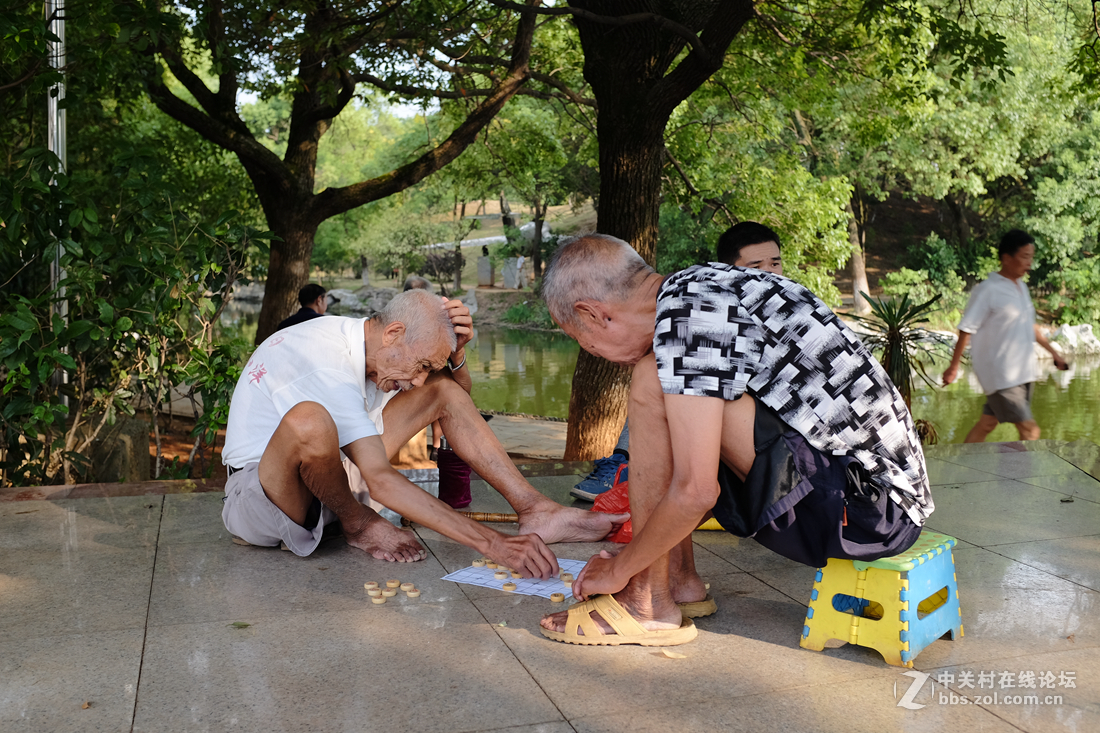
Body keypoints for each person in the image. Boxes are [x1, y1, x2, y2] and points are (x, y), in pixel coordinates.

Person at [538, 234, 931, 645]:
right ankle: (679, 581)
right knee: (677, 390)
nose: (596, 354)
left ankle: (647, 603)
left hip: (866, 514)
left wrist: (619, 570)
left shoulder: (690, 314)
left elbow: (696, 492)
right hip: (871, 498)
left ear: (595, 314)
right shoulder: (704, 285)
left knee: (653, 378)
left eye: (586, 344)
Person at [221, 288, 627, 575]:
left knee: (441, 391)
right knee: (310, 419)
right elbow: (380, 480)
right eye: (419, 366)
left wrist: (457, 355)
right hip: (264, 498)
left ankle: (537, 511)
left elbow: (455, 401)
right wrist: (492, 543)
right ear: (394, 333)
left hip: (331, 482)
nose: (416, 381)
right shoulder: (323, 357)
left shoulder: (372, 347)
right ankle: (357, 524)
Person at [570, 221, 785, 502]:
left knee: (666, 376)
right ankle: (626, 462)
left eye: (775, 264)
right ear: (729, 268)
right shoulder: (709, 298)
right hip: (749, 432)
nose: (769, 273)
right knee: (665, 372)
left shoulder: (783, 304)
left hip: (791, 456)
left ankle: (642, 473)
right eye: (757, 266)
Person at [942, 230, 1067, 441]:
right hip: (1002, 376)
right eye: (1025, 256)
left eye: (1031, 257)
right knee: (1030, 431)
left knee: (987, 424)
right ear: (1006, 258)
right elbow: (966, 328)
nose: (1030, 262)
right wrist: (953, 367)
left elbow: (1030, 327)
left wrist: (1054, 354)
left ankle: (960, 468)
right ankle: (1020, 474)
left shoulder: (1022, 288)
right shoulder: (987, 290)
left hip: (1023, 372)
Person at [402, 276, 453, 462]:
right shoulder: (437, 316)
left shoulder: (397, 314)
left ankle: (428, 448)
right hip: (426, 375)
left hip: (412, 376)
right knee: (437, 397)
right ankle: (437, 446)